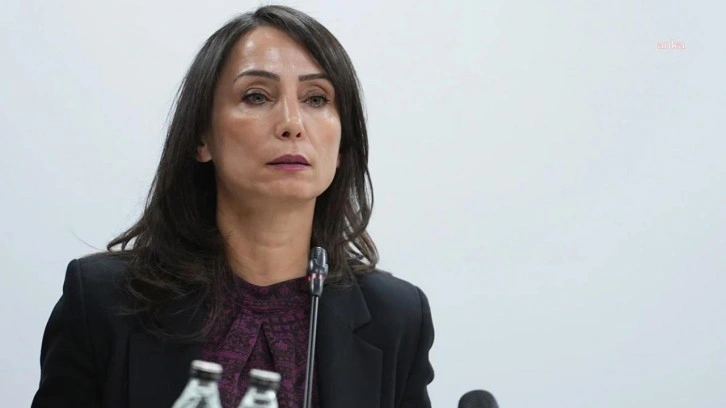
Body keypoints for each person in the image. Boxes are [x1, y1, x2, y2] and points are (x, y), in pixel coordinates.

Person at [31, 5, 434, 408]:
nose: (292, 123)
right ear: (201, 137)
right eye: (256, 96)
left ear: (343, 144)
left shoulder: (396, 319)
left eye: (316, 98)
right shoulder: (103, 301)